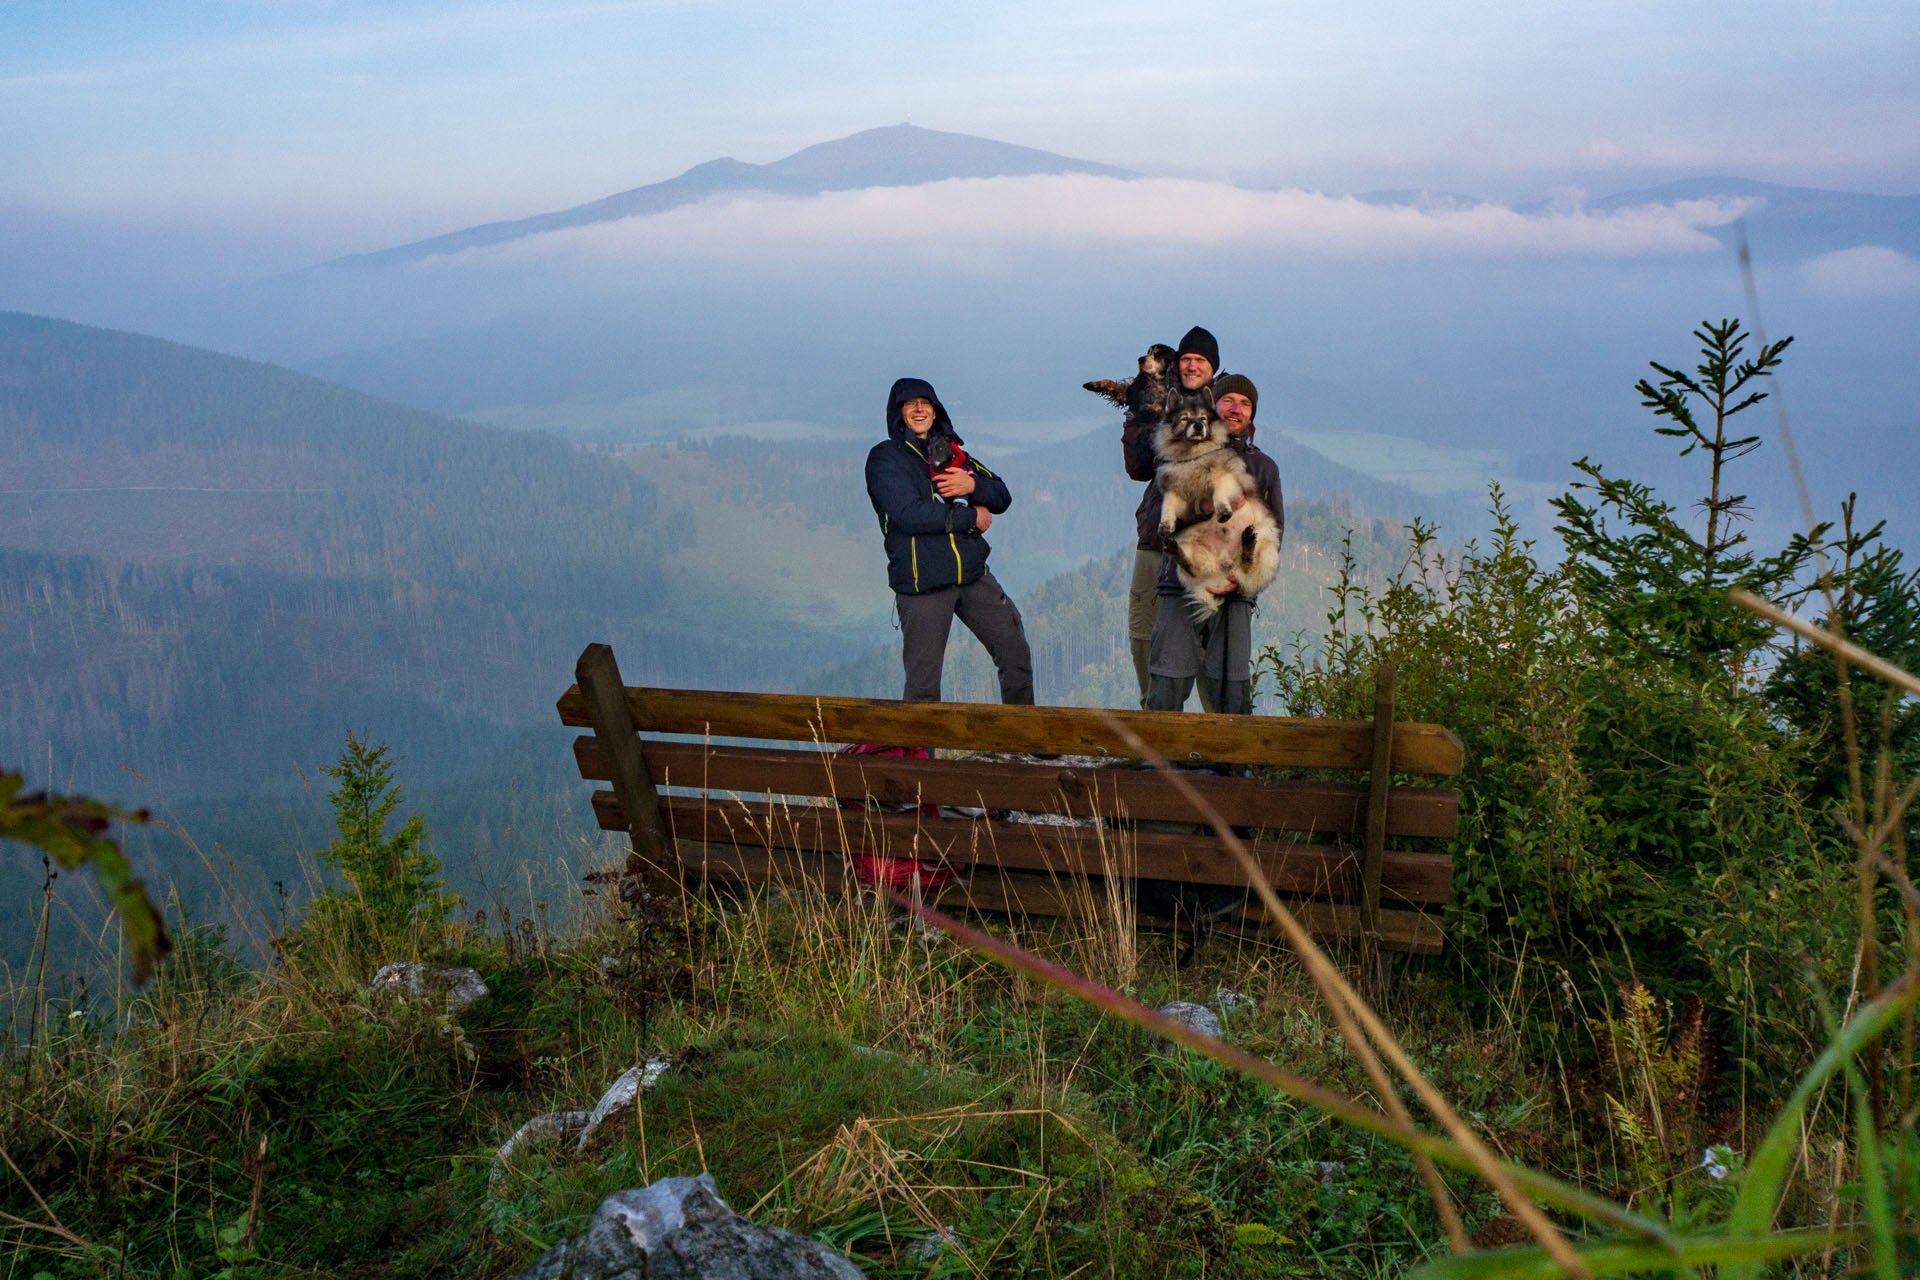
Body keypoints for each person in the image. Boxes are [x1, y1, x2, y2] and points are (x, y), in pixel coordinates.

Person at [865, 377, 1035, 704]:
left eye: (925, 402)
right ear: (898, 412)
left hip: (972, 576)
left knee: (1015, 654)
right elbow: (907, 514)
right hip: (922, 585)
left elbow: (1001, 495)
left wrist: (971, 487)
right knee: (923, 687)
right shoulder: (885, 459)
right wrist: (971, 517)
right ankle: (921, 756)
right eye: (910, 403)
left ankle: (1023, 746)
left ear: (935, 409)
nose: (918, 409)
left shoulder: (951, 455)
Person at [1143, 369, 1282, 716]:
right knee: (1169, 674)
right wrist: (1199, 509)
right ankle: (1157, 759)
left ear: (1252, 414)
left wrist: (1244, 575)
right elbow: (1152, 518)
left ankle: (1229, 764)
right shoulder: (1176, 456)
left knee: (1230, 681)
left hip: (1238, 583)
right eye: (1229, 400)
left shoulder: (1264, 467)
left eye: (1245, 403)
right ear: (1214, 407)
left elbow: (1275, 525)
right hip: (1183, 578)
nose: (1236, 408)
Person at [1123, 326, 1220, 704]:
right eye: (1187, 359)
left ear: (1214, 366)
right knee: (1143, 633)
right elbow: (1137, 468)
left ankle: (1217, 732)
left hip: (1207, 542)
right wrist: (1140, 410)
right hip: (1155, 538)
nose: (1192, 366)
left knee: (1208, 638)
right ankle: (1155, 722)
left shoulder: (1224, 402)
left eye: (1200, 360)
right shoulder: (1162, 398)